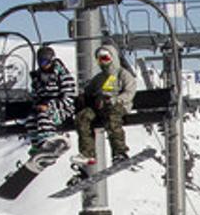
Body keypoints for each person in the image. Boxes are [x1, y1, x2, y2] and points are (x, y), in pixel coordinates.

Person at [71, 44, 136, 183]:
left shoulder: (122, 74)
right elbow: (89, 91)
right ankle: (87, 153)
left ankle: (119, 152)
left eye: (105, 58)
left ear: (112, 58)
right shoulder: (99, 78)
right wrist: (83, 98)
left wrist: (115, 100)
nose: (103, 62)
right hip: (99, 108)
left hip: (118, 106)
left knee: (112, 118)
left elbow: (130, 92)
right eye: (100, 59)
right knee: (83, 117)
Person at [26, 45, 76, 155]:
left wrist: (50, 105)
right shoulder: (38, 78)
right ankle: (36, 145)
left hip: (62, 109)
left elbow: (69, 98)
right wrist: (36, 104)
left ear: (51, 60)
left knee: (43, 116)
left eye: (45, 62)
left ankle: (47, 142)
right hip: (43, 106)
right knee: (31, 120)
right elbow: (36, 95)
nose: (43, 65)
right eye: (40, 62)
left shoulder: (62, 75)